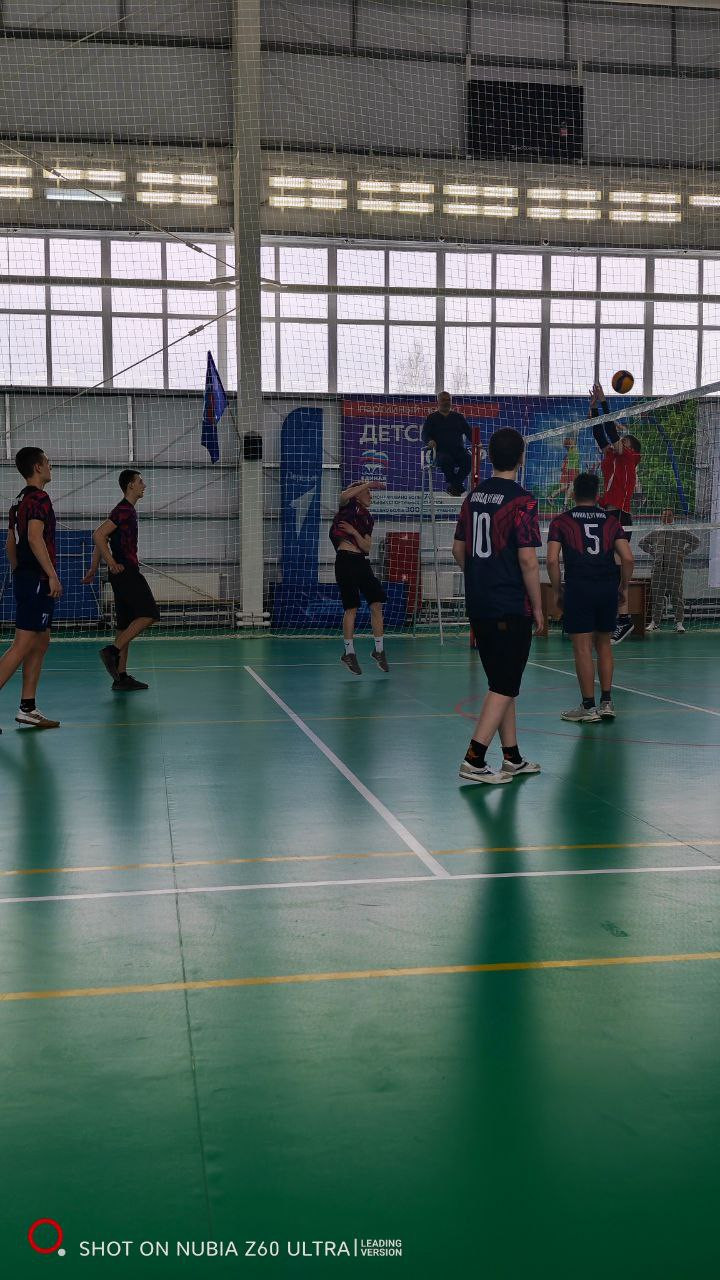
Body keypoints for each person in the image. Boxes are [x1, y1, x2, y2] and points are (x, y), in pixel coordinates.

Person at [452, 427, 543, 784]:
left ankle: (511, 758)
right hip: (509, 604)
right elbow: (528, 561)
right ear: (521, 458)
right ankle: (474, 759)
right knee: (504, 683)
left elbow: (458, 550)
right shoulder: (522, 501)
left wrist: (481, 577)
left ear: (489, 457)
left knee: (502, 682)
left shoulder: (472, 497)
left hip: (480, 602)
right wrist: (539, 608)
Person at [547, 472, 634, 723]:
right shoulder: (611, 522)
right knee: (604, 644)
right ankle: (607, 702)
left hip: (579, 587)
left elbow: (552, 560)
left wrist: (557, 590)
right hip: (607, 587)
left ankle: (588, 706)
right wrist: (623, 587)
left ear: (574, 494)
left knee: (582, 647)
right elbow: (628, 558)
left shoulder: (561, 522)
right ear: (598, 496)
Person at [0, 447, 61, 730]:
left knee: (41, 640)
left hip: (28, 577)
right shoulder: (39, 498)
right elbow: (35, 538)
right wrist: (50, 575)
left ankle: (27, 708)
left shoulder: (19, 501)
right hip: (37, 578)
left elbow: (10, 544)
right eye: (47, 462)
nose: (50, 466)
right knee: (22, 644)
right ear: (37, 467)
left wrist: (18, 571)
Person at [83, 469, 159, 691]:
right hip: (126, 572)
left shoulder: (125, 510)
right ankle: (112, 651)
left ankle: (121, 677)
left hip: (120, 575)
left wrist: (94, 567)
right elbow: (98, 535)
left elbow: (102, 538)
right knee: (150, 614)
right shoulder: (124, 510)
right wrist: (111, 562)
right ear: (130, 485)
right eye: (140, 481)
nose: (144, 485)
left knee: (124, 625)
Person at [588, 382, 641, 645]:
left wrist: (605, 403)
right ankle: (614, 616)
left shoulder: (629, 457)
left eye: (624, 441)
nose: (619, 442)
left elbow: (610, 431)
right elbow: (600, 433)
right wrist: (593, 409)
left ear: (631, 449)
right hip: (607, 515)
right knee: (607, 568)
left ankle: (624, 618)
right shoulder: (612, 459)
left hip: (619, 516)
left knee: (617, 568)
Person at [329, 480, 388, 676]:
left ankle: (379, 650)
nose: (371, 496)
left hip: (361, 562)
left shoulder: (368, 519)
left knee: (376, 603)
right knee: (351, 607)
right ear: (358, 494)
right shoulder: (347, 506)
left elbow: (366, 547)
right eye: (368, 492)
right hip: (345, 560)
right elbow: (344, 495)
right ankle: (349, 653)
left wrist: (354, 532)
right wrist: (368, 483)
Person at [640, 509, 699, 633]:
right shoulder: (656, 531)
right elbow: (642, 543)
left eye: (669, 515)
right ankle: (655, 622)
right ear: (661, 517)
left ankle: (679, 623)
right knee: (657, 595)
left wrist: (684, 553)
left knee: (677, 595)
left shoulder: (680, 531)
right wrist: (654, 553)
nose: (666, 517)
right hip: (658, 568)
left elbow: (696, 541)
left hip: (675, 567)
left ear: (673, 517)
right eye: (664, 515)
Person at [421, 391, 473, 496]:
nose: (446, 402)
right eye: (443, 400)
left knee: (469, 460)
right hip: (439, 452)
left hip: (458, 451)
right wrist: (429, 441)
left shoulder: (458, 417)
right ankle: (457, 486)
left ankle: (454, 486)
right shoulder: (432, 418)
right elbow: (424, 435)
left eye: (448, 400)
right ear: (438, 402)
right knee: (446, 459)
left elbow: (470, 433)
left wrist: (477, 442)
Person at [548, 435, 580, 507]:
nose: (573, 441)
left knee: (566, 488)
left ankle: (553, 498)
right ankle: (564, 504)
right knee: (569, 487)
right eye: (571, 440)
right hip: (570, 471)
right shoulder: (572, 450)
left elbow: (564, 467)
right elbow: (563, 467)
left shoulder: (570, 453)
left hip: (570, 471)